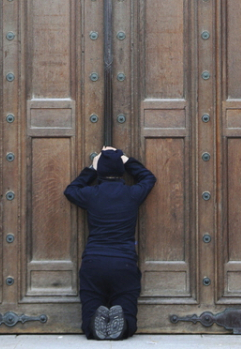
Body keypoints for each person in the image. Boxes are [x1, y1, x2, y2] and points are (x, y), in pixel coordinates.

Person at [64, 145, 156, 341]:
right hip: (124, 262)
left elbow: (71, 190)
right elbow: (149, 178)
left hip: (94, 261)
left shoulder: (91, 194)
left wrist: (91, 168)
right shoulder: (132, 194)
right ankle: (123, 326)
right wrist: (127, 160)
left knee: (91, 305)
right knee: (127, 306)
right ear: (121, 170)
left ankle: (93, 325)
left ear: (100, 171)